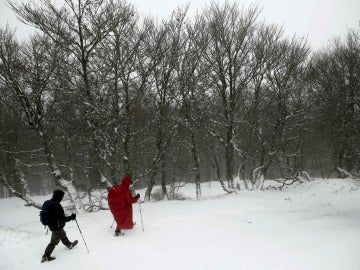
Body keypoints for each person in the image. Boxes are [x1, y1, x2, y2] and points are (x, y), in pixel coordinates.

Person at [41, 190, 77, 263]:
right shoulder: (56, 206)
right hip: (56, 227)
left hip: (53, 226)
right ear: (59, 197)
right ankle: (46, 256)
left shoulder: (49, 203)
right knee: (54, 242)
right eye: (61, 197)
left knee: (63, 235)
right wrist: (71, 217)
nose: (61, 198)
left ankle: (69, 245)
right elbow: (63, 219)